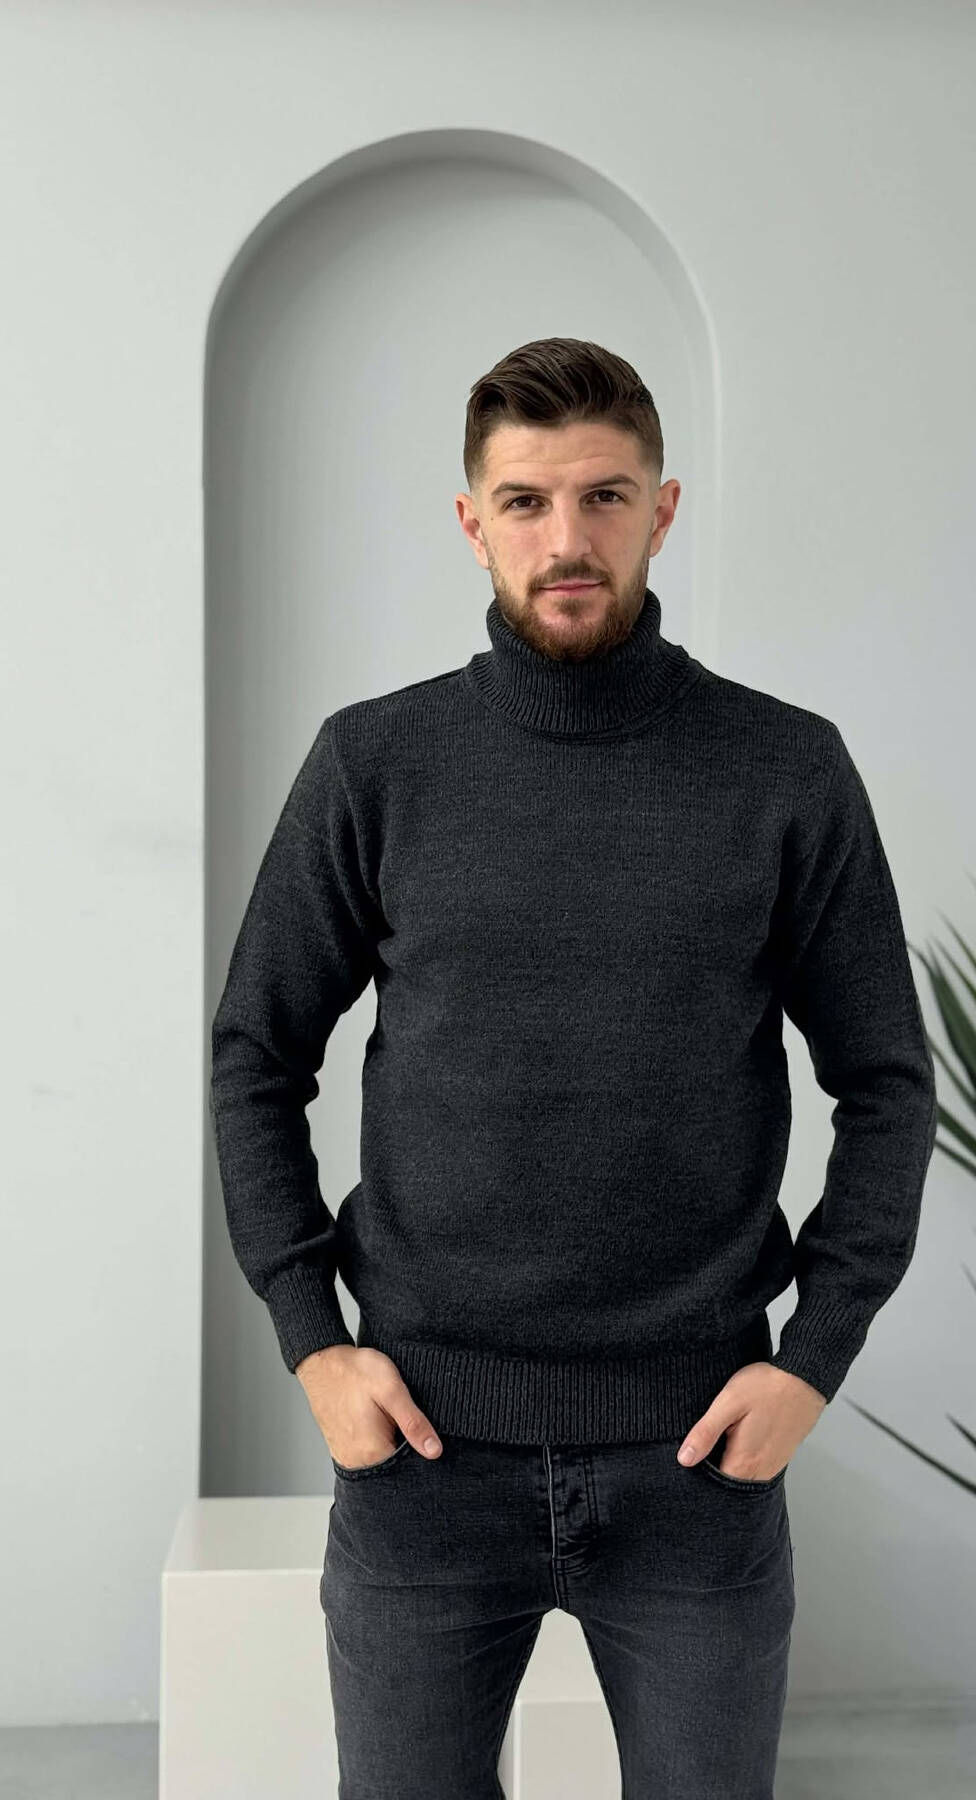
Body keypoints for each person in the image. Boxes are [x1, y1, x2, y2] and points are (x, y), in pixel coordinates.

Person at [208, 336, 938, 1798]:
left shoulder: (784, 768)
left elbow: (887, 1081)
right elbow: (256, 1053)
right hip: (420, 1456)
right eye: (526, 502)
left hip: (698, 1460)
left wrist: (813, 1360)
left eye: (604, 497)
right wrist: (313, 1340)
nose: (566, 540)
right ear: (470, 521)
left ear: (662, 510)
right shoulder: (375, 763)